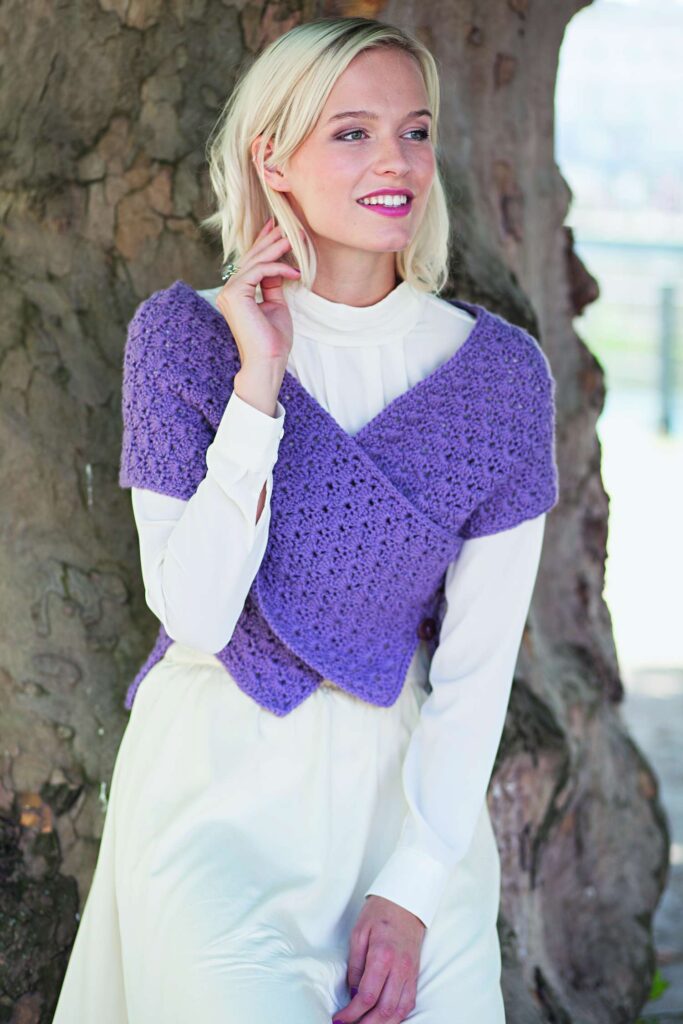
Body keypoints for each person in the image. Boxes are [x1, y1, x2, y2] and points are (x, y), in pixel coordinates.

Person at [51, 15, 558, 1024]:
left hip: (403, 805)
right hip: (216, 798)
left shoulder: (498, 379)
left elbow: (476, 669)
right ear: (271, 158)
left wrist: (414, 886)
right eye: (352, 132)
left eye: (414, 132)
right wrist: (259, 383)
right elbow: (196, 613)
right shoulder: (184, 339)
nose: (395, 161)